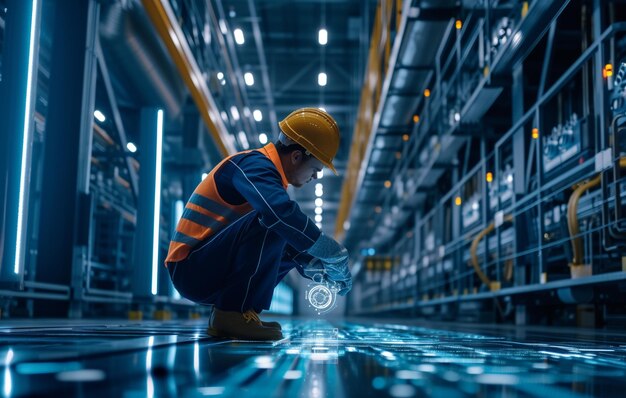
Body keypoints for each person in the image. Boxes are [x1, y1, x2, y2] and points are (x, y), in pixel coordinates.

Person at [164, 108, 352, 341]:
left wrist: (318, 266)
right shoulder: (253, 165)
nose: (314, 177)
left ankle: (241, 313)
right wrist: (333, 252)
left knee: (285, 229)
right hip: (190, 270)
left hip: (204, 267)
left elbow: (286, 243)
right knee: (277, 219)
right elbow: (279, 215)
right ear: (296, 156)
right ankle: (230, 313)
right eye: (315, 169)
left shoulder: (266, 175)